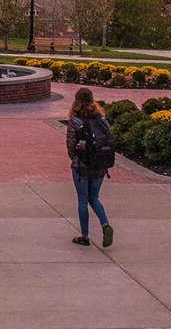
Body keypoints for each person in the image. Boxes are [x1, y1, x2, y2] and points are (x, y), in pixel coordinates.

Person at [65, 87, 113, 247]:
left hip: (82, 166)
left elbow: (71, 145)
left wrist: (75, 157)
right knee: (94, 198)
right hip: (100, 165)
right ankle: (105, 224)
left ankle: (85, 236)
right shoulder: (101, 118)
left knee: (83, 201)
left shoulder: (75, 120)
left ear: (76, 100)